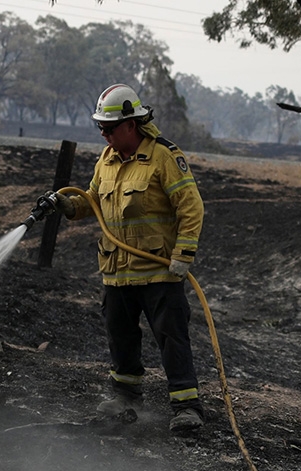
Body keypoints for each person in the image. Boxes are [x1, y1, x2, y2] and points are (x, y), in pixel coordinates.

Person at [38, 83, 206, 435]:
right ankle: (126, 397)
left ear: (131, 124)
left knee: (171, 336)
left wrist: (183, 254)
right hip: (117, 271)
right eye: (100, 128)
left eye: (109, 128)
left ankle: (186, 406)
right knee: (120, 335)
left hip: (159, 270)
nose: (104, 134)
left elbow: (191, 207)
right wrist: (68, 205)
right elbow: (93, 201)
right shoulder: (107, 160)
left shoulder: (163, 157)